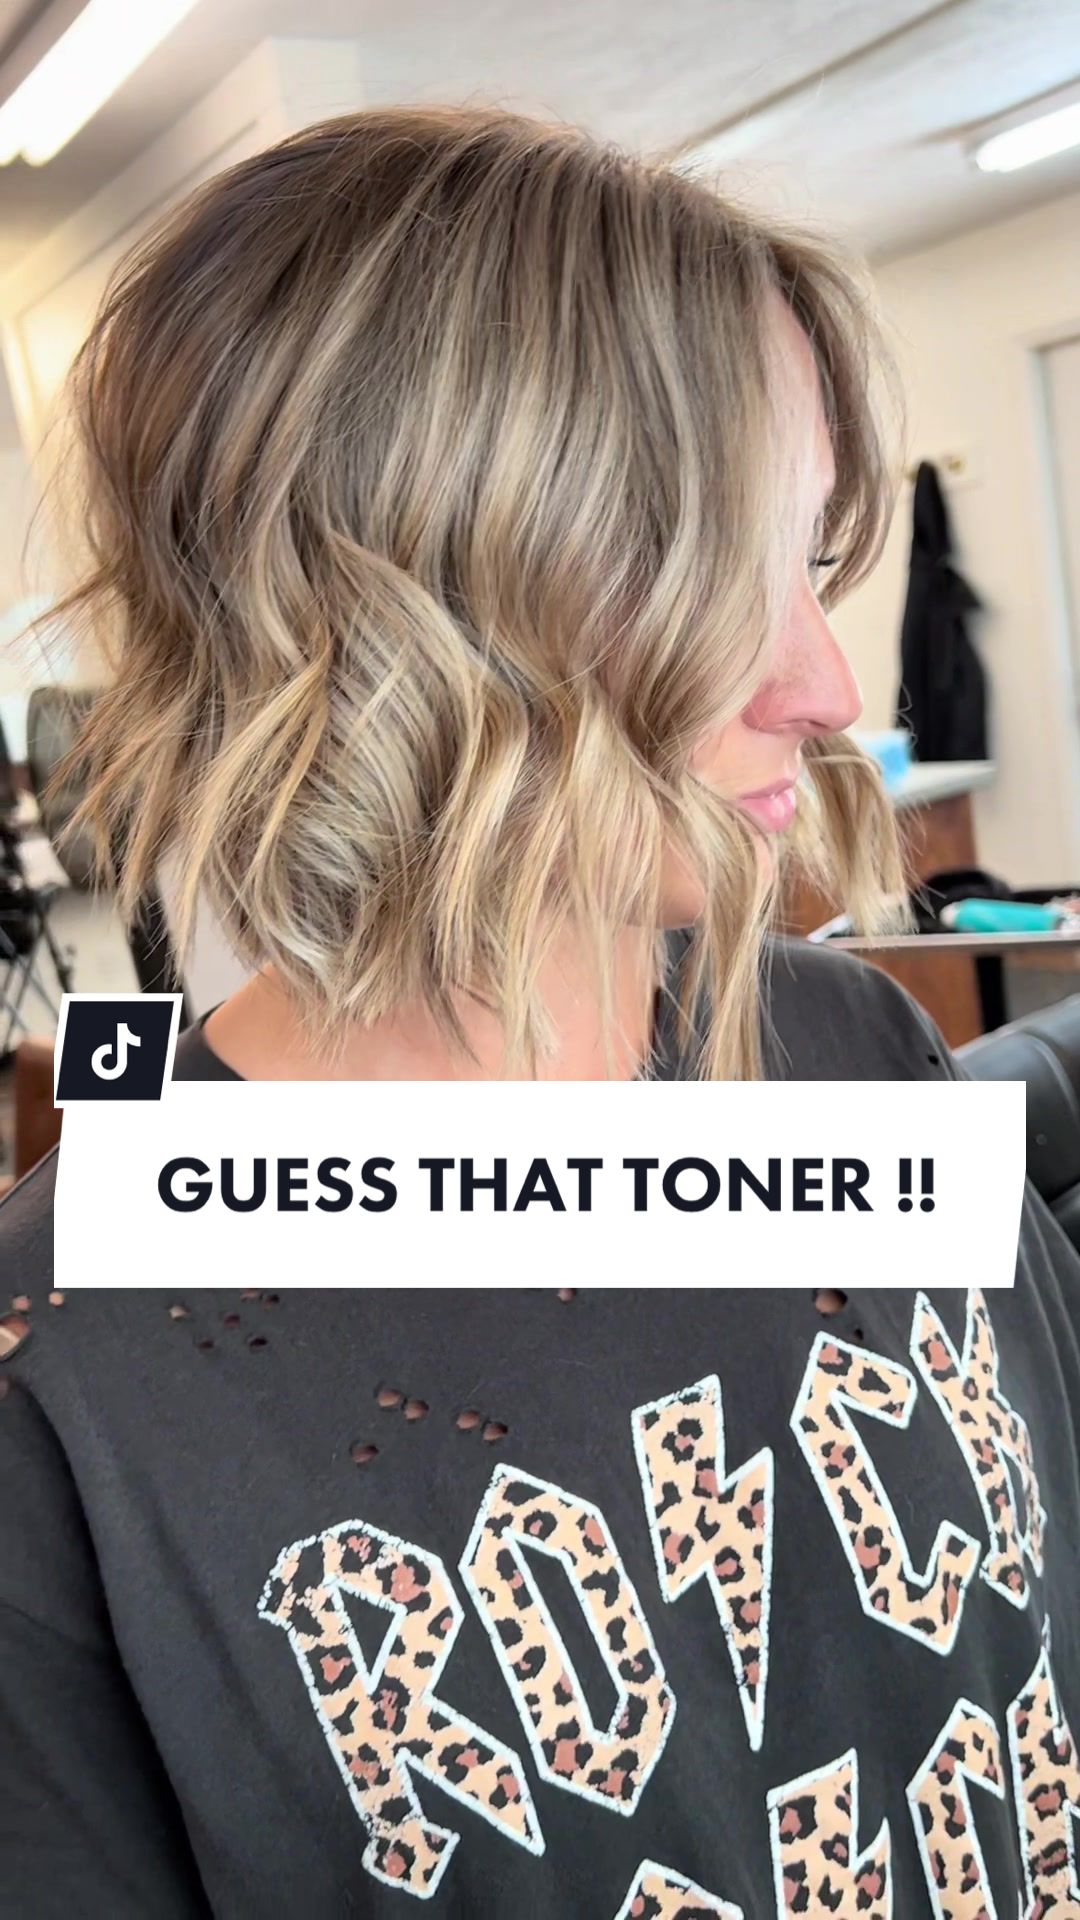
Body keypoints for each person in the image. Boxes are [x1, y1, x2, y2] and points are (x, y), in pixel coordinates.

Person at [1, 105, 1078, 1920]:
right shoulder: (67, 1408)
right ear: (408, 607)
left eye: (809, 565)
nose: (826, 684)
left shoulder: (855, 1053)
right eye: (716, 575)